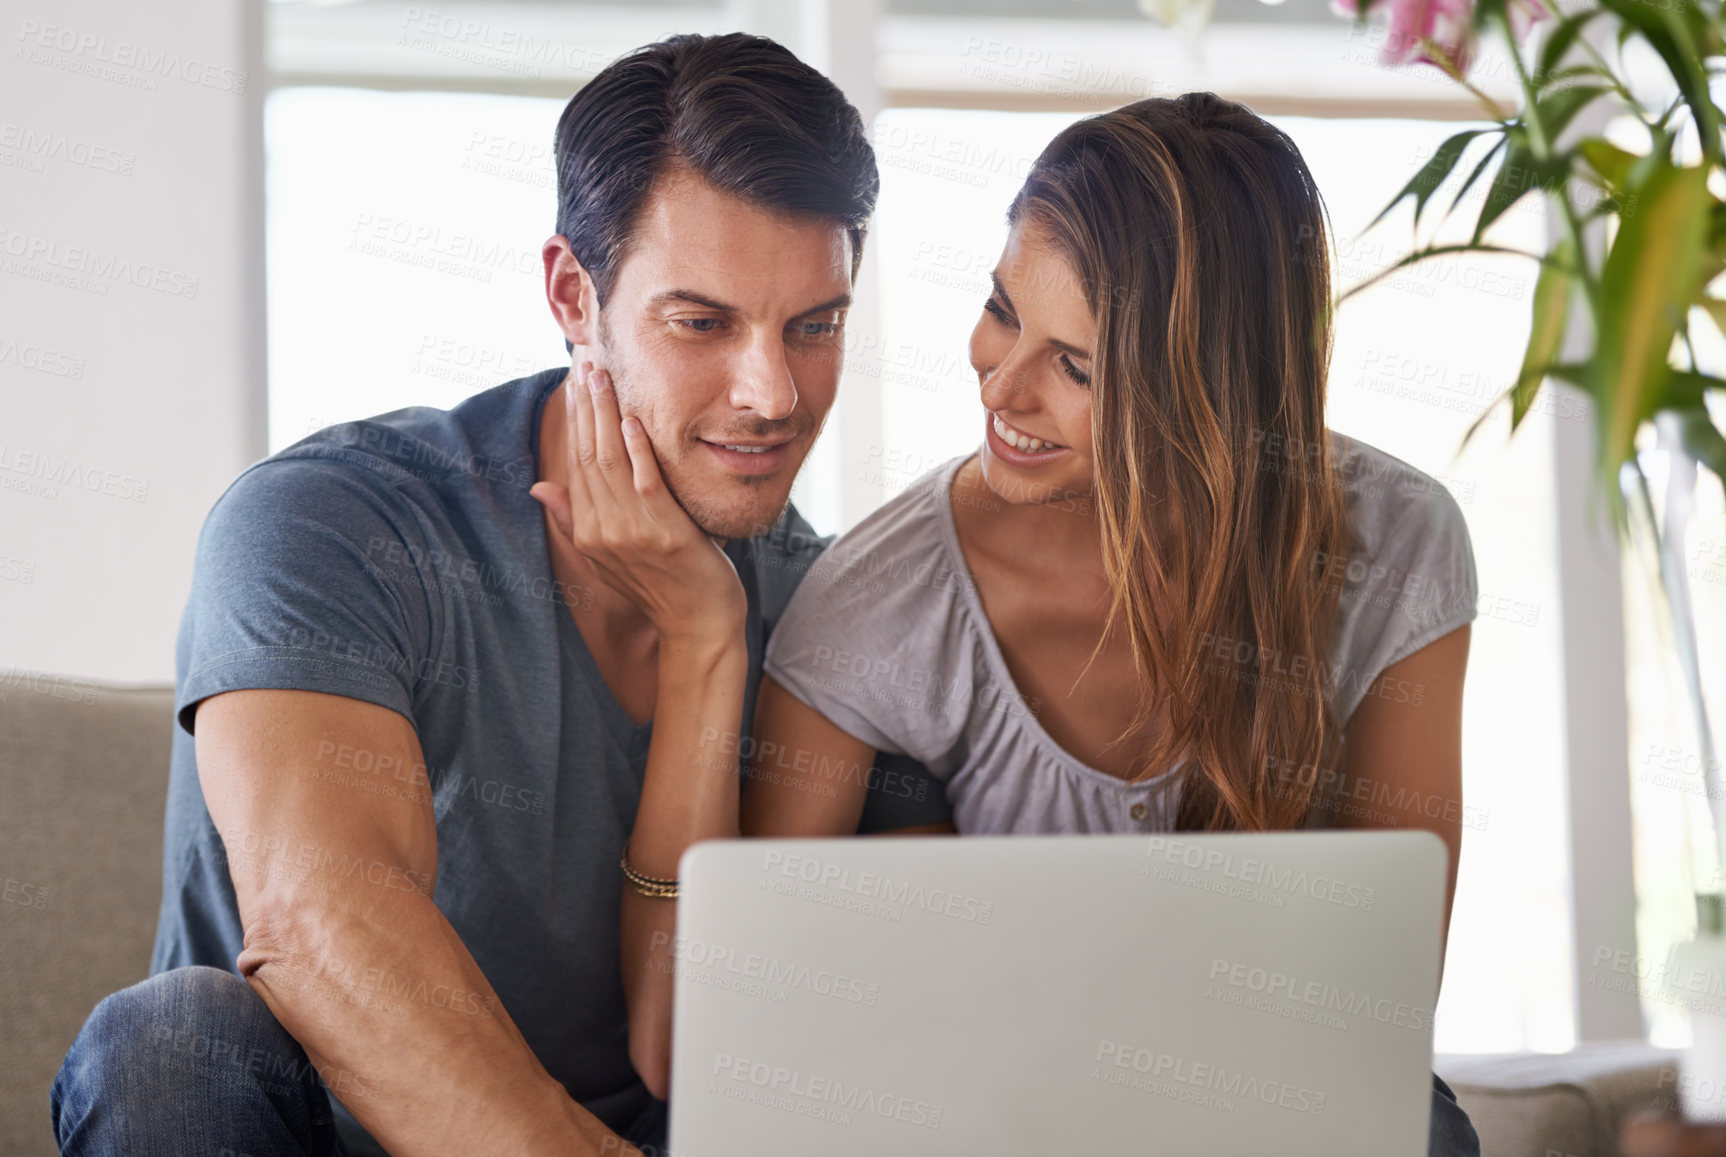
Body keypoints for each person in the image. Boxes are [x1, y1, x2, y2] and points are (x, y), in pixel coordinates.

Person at [49, 31, 938, 1157]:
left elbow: (840, 1034)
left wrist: (709, 637)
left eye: (814, 325)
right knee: (170, 1038)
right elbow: (318, 923)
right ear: (574, 294)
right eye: (701, 322)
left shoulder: (839, 616)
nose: (770, 393)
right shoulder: (333, 523)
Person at [606, 94, 1483, 1154]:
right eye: (1001, 308)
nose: (998, 380)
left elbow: (1382, 990)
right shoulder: (878, 601)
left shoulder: (1397, 542)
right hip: (984, 1115)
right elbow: (740, 1023)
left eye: (1074, 365)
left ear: (1207, 394)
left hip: (1262, 1104)